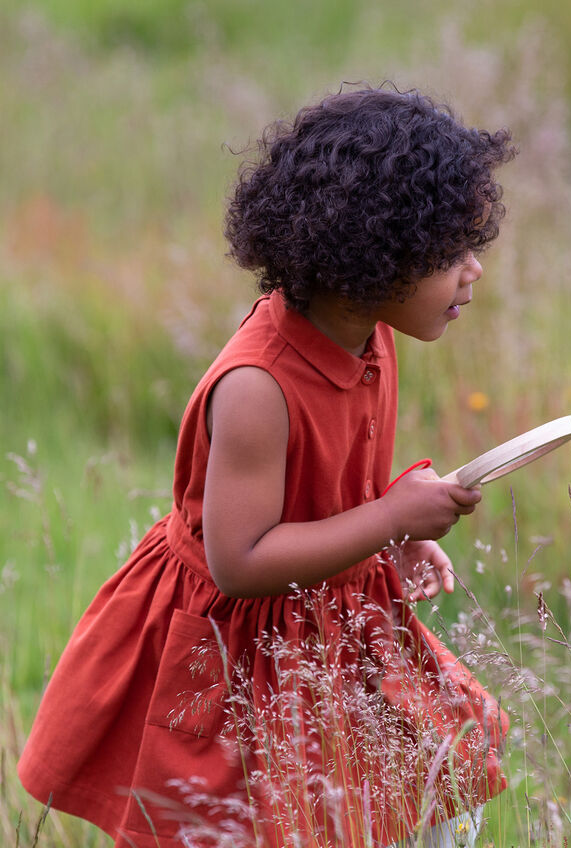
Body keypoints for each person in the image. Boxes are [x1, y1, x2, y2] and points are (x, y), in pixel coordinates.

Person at [18, 85, 515, 848]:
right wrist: (386, 518)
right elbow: (239, 561)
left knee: (439, 783)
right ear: (373, 256)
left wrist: (394, 529)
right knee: (267, 828)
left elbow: (326, 490)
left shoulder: (368, 334)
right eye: (449, 254)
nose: (473, 271)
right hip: (242, 641)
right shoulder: (257, 385)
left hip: (328, 619)